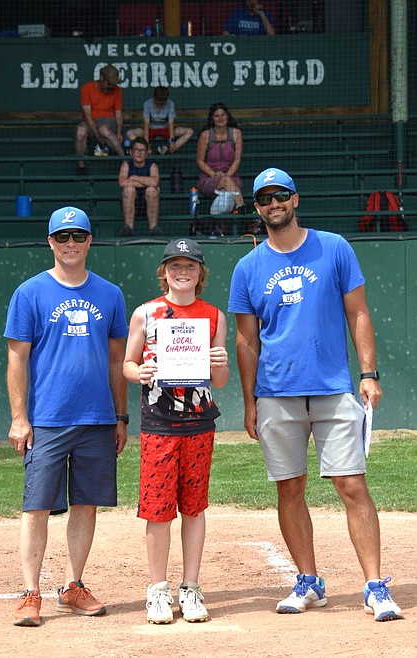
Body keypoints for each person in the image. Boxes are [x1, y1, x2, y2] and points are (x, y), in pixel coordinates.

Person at [228, 167, 403, 622]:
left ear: (295, 199)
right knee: (290, 488)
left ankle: (374, 585)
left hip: (332, 388)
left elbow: (359, 313)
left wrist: (369, 372)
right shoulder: (248, 267)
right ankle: (309, 582)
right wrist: (249, 401)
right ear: (257, 207)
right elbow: (246, 341)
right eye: (265, 198)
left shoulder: (334, 247)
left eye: (281, 195)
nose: (274, 204)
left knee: (351, 485)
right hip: (276, 393)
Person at [4, 206, 129, 627]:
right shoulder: (30, 292)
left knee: (87, 505)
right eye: (63, 237)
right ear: (50, 242)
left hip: (96, 418)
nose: (71, 244)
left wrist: (120, 416)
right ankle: (30, 592)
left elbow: (116, 362)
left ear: (90, 240)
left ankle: (73, 586)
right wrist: (19, 418)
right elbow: (16, 359)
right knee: (36, 507)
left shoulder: (109, 294)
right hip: (47, 419)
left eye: (78, 236)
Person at [123, 238, 229, 624]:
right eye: (174, 266)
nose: (182, 272)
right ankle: (157, 590)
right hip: (159, 421)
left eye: (190, 266)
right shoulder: (146, 313)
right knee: (158, 508)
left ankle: (191, 587)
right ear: (163, 271)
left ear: (201, 273)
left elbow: (220, 380)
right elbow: (127, 366)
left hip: (199, 421)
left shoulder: (214, 315)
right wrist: (141, 372)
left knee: (194, 506)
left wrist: (219, 360)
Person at [196, 102, 245, 233]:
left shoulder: (236, 133)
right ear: (212, 118)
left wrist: (227, 175)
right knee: (227, 185)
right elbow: (200, 161)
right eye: (216, 116)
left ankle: (222, 233)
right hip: (209, 178)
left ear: (227, 116)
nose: (220, 118)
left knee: (225, 191)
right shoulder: (206, 135)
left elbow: (237, 159)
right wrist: (213, 174)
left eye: (223, 115)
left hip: (232, 176)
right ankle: (241, 208)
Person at [75, 64, 124, 174]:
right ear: (102, 77)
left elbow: (118, 113)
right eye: (109, 83)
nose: (111, 87)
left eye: (113, 84)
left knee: (104, 130)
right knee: (80, 131)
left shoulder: (117, 90)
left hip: (108, 121)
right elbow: (88, 116)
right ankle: (81, 166)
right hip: (90, 122)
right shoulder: (87, 88)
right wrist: (98, 137)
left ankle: (125, 161)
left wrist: (119, 131)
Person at [126, 86, 194, 155]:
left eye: (162, 103)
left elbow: (171, 123)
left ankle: (170, 150)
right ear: (154, 98)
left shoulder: (170, 104)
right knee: (129, 133)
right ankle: (149, 151)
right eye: (158, 103)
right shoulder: (147, 104)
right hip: (151, 129)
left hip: (166, 129)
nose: (160, 105)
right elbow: (146, 124)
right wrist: (146, 144)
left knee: (190, 131)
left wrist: (172, 142)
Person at [118, 136, 162, 237]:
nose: (139, 152)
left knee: (151, 190)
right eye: (136, 150)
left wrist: (134, 178)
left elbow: (154, 183)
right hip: (130, 202)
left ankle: (153, 229)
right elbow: (122, 182)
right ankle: (128, 228)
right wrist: (146, 181)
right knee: (129, 190)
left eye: (142, 150)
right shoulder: (126, 165)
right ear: (131, 152)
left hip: (148, 202)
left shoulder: (152, 166)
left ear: (147, 153)